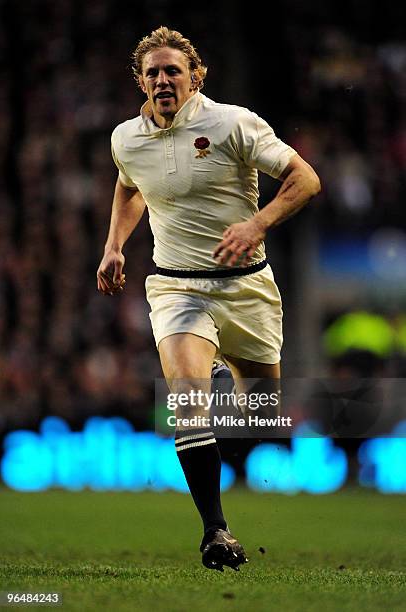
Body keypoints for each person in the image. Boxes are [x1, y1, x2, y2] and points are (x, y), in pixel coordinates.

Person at [97, 26, 321, 571]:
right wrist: (114, 246)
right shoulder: (126, 137)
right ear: (140, 82)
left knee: (260, 412)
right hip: (176, 285)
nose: (162, 79)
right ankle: (215, 531)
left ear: (197, 75)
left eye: (173, 70)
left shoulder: (232, 123)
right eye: (152, 72)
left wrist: (257, 224)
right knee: (188, 400)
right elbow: (129, 185)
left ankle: (228, 383)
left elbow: (305, 178)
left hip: (246, 286)